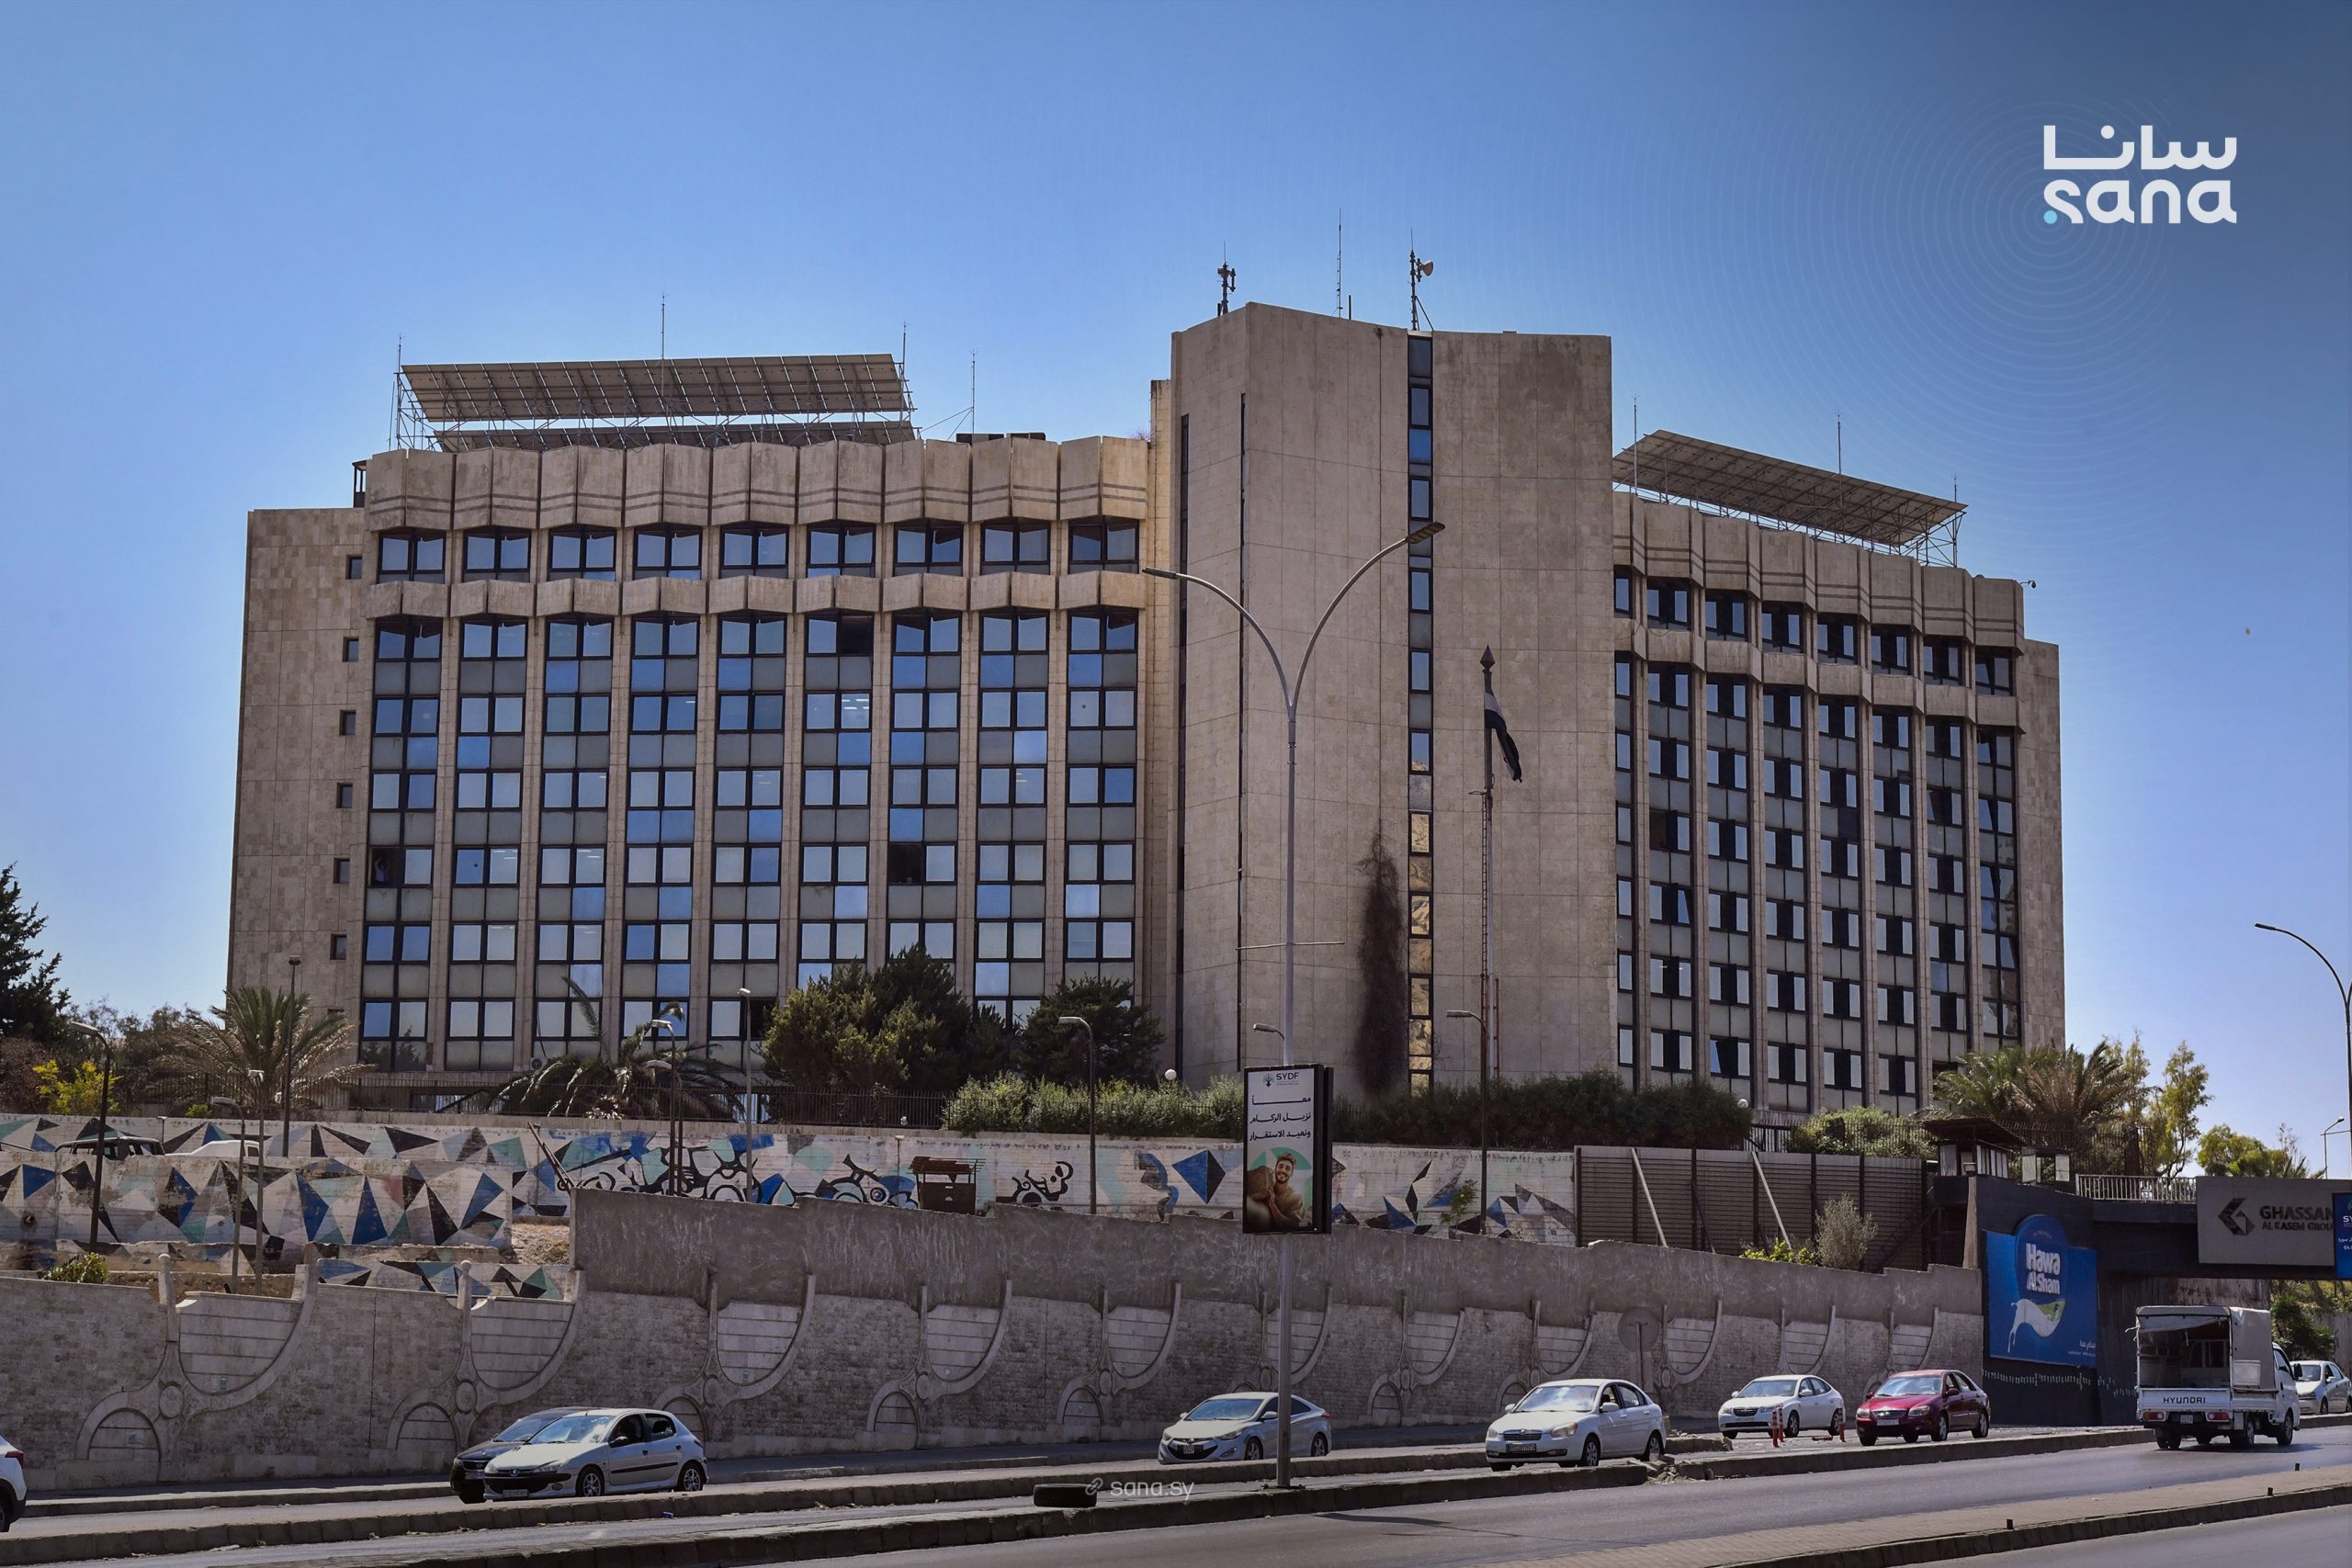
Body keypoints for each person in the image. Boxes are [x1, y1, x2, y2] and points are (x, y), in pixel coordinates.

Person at [1244, 1151, 1309, 1230]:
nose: (1283, 1170)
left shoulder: (1296, 1198)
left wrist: (1272, 1206)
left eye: (1287, 1169)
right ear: (1275, 1169)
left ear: (1291, 1173)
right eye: (1280, 1167)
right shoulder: (1266, 1188)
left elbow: (1291, 1226)